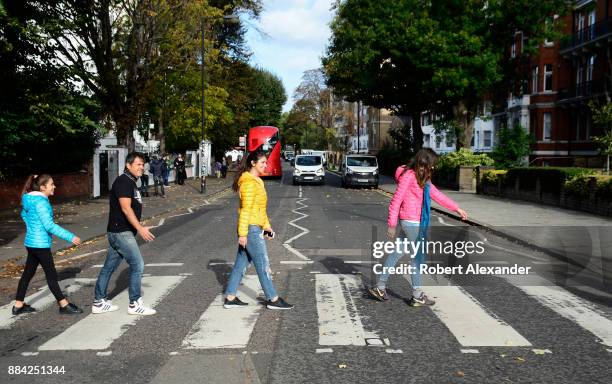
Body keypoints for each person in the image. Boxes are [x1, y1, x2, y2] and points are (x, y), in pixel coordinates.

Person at [368, 148, 468, 306]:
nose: (433, 168)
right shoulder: (409, 176)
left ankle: (380, 287)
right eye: (432, 165)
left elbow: (437, 195)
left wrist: (456, 208)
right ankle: (416, 295)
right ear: (424, 162)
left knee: (397, 253)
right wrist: (391, 225)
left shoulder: (423, 178)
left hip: (412, 221)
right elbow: (396, 200)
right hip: (411, 222)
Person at [224, 150, 293, 310]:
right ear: (253, 163)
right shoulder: (248, 183)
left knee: (240, 265)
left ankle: (230, 297)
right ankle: (273, 299)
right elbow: (245, 210)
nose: (265, 165)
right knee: (263, 264)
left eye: (265, 162)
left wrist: (267, 226)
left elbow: (260, 209)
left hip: (254, 226)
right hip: (250, 229)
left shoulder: (256, 181)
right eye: (262, 162)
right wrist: (242, 234)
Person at [92, 152, 157, 315]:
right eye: (138, 164)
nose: (142, 167)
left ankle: (99, 302)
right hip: (121, 232)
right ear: (128, 165)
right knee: (138, 265)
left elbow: (130, 211)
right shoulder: (124, 182)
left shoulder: (130, 182)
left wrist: (139, 225)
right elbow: (126, 208)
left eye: (143, 164)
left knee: (109, 267)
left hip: (119, 231)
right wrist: (140, 229)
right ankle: (135, 303)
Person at [12, 174, 84, 316]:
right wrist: (71, 237)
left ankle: (18, 304)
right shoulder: (41, 202)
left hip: (31, 243)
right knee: (51, 276)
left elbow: (24, 215)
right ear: (43, 187)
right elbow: (49, 226)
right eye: (51, 184)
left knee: (28, 273)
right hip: (40, 245)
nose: (54, 186)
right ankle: (63, 304)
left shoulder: (28, 199)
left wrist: (32, 229)